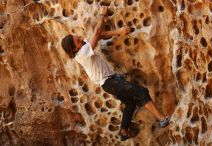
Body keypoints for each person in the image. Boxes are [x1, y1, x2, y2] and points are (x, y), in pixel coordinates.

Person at [61, 6, 170, 141]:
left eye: (76, 36)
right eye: (77, 40)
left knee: (130, 104)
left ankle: (124, 131)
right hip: (111, 82)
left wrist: (119, 32)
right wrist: (102, 15)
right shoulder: (82, 54)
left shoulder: (83, 48)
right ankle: (162, 119)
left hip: (110, 83)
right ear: (74, 49)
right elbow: (96, 33)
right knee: (141, 92)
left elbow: (100, 36)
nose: (78, 37)